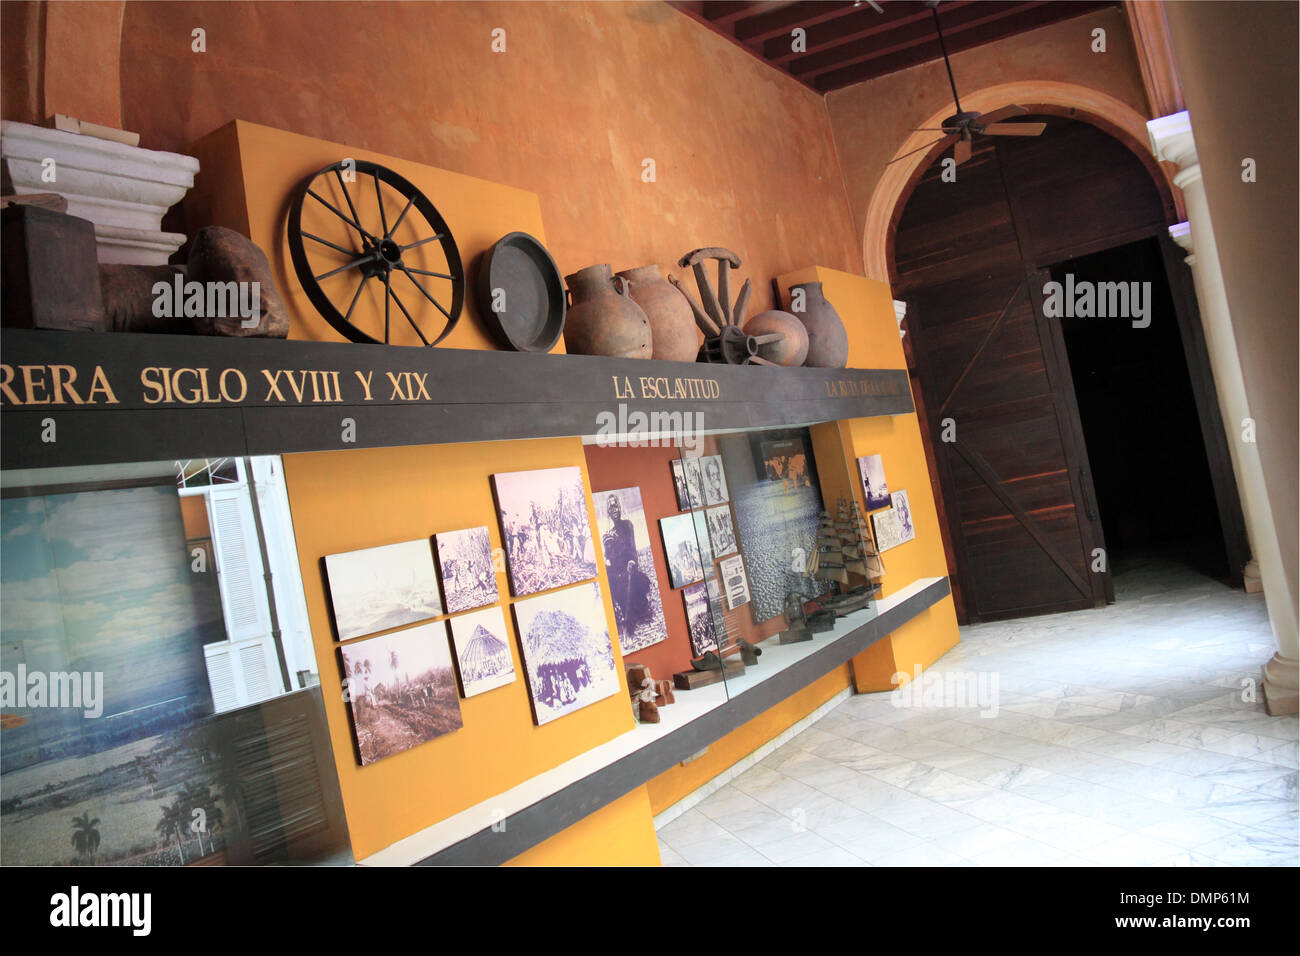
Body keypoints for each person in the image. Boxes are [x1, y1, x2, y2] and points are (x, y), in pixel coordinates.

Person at [603, 494, 651, 632]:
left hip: (629, 564)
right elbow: (609, 556)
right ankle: (620, 614)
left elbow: (632, 547)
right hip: (617, 567)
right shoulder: (609, 533)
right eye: (611, 507)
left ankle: (637, 611)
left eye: (616, 506)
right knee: (611, 579)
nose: (614, 510)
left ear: (620, 507)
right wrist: (608, 545)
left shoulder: (627, 524)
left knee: (629, 580)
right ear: (608, 512)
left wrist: (631, 561)